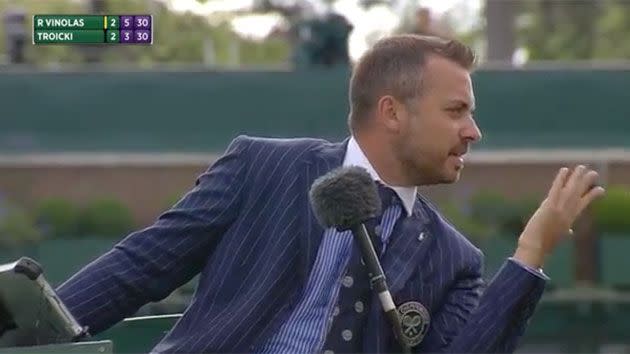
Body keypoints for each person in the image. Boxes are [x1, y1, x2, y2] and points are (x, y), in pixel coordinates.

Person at [56, 34, 605, 353]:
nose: (473, 132)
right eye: (456, 111)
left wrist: (530, 253)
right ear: (392, 112)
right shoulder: (264, 167)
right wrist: (35, 330)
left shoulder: (453, 259)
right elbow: (139, 268)